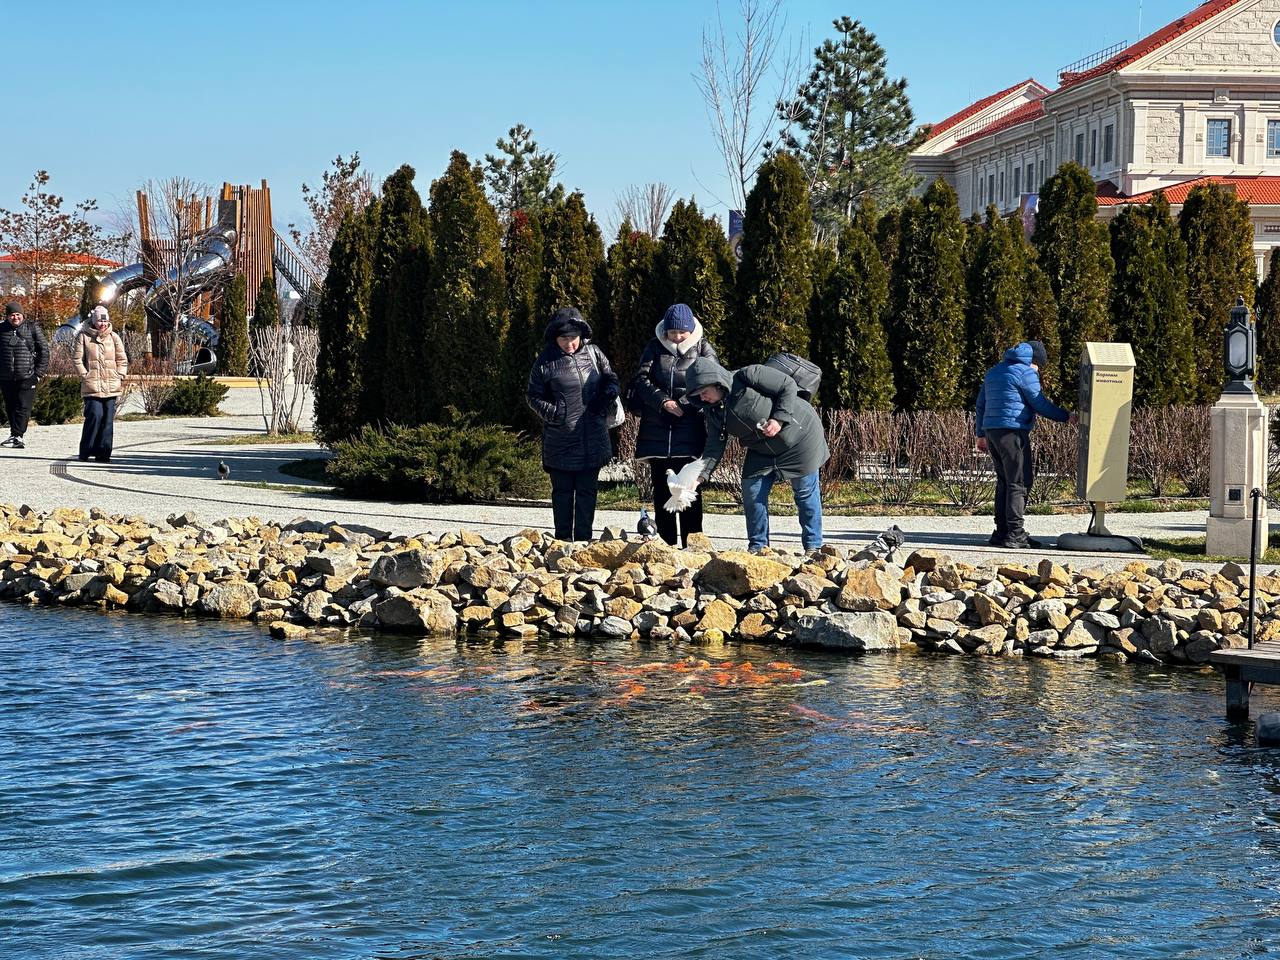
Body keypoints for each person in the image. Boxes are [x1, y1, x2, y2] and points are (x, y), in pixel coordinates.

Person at [685, 357, 829, 554]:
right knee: (752, 492)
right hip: (761, 448)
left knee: (804, 494)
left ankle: (814, 547)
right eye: (698, 395)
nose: (702, 398)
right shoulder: (713, 411)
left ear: (716, 383)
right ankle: (759, 547)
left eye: (704, 392)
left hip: (799, 437)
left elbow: (787, 385)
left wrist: (778, 419)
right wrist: (700, 476)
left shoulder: (747, 375)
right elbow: (714, 445)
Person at [526, 306, 619, 542]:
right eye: (564, 338)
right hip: (561, 439)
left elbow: (611, 378)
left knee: (588, 493)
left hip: (592, 436)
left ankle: (584, 541)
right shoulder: (545, 362)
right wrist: (556, 413)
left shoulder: (595, 354)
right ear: (555, 337)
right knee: (562, 494)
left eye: (573, 338)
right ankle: (563, 542)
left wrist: (605, 397)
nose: (569, 343)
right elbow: (532, 396)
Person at [974, 339, 1076, 549]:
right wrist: (1067, 417)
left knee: (1005, 481)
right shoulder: (1026, 372)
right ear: (1034, 361)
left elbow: (981, 404)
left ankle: (1001, 532)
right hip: (1013, 432)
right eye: (1039, 365)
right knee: (1020, 482)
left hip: (992, 431)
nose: (1039, 370)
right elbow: (1039, 403)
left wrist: (980, 434)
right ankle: (1015, 534)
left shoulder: (994, 371)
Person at [631, 303, 718, 547]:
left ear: (691, 330)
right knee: (662, 492)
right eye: (672, 333)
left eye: (682, 332)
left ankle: (693, 545)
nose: (677, 337)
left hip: (690, 428)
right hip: (657, 428)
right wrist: (663, 402)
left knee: (689, 492)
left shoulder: (703, 348)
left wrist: (684, 403)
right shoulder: (654, 347)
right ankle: (666, 545)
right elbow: (641, 379)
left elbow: (713, 381)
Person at [72, 305, 128, 462]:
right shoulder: (83, 336)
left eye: (105, 321)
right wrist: (84, 375)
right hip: (92, 385)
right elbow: (77, 359)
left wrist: (120, 374)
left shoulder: (114, 337)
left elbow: (122, 359)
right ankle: (86, 450)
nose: (102, 324)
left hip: (111, 385)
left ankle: (103, 453)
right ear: (94, 321)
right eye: (99, 321)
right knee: (95, 416)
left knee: (107, 421)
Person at [0, 300, 49, 449]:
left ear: (22, 315)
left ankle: (18, 435)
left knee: (23, 406)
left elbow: (44, 351)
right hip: (6, 377)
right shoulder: (1, 330)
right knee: (11, 407)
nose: (15, 317)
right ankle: (14, 434)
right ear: (7, 316)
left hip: (27, 375)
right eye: (12, 315)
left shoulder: (32, 328)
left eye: (18, 314)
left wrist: (38, 373)